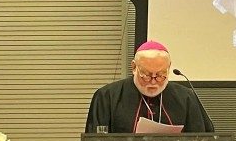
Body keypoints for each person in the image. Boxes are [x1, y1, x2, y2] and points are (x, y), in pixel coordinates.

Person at [85, 40, 213, 133]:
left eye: (160, 75)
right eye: (146, 75)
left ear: (168, 68)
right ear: (134, 67)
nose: (153, 82)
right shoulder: (107, 97)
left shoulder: (186, 97)